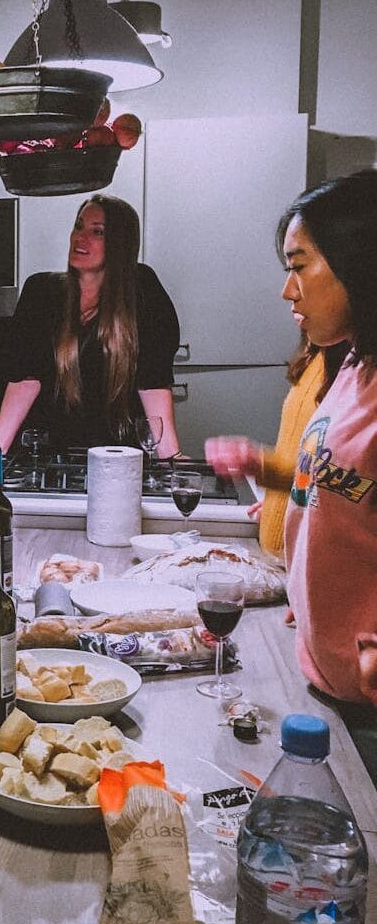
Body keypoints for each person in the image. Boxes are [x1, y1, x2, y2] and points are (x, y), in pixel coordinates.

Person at [277, 170, 377, 776]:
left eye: (300, 265)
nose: (288, 291)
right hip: (325, 685)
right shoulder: (354, 368)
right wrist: (308, 594)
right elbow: (340, 490)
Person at [0, 195, 185, 459]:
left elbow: (153, 384)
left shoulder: (142, 291)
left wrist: (170, 458)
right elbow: (25, 381)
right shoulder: (41, 292)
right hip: (48, 455)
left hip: (119, 457)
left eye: (98, 232)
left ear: (119, 245)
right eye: (78, 226)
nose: (80, 238)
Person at [205, 335, 350, 559]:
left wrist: (262, 465)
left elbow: (352, 485)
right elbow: (307, 458)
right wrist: (283, 503)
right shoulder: (316, 354)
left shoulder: (359, 370)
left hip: (315, 566)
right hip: (283, 561)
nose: (289, 297)